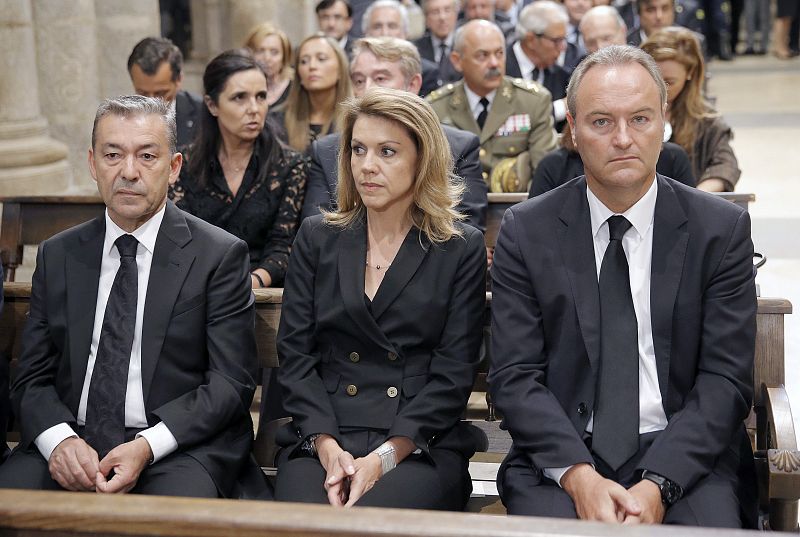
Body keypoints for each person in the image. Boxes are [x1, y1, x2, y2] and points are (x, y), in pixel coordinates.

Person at [489, 45, 756, 527]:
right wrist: (580, 477)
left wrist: (658, 485)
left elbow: (724, 380)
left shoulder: (720, 229)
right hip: (564, 453)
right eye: (601, 122)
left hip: (683, 455)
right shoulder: (528, 231)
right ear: (572, 128)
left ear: (664, 119)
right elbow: (514, 376)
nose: (623, 139)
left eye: (639, 119)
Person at [0, 95, 262, 497]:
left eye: (147, 156)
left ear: (173, 167)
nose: (128, 172)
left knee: (173, 516)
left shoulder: (218, 255)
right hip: (74, 438)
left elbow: (230, 383)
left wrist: (146, 446)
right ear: (92, 163)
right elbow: (32, 375)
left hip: (176, 445)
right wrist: (59, 441)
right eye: (112, 155)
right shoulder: (60, 254)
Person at [274, 87, 486, 509]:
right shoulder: (318, 236)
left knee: (375, 521)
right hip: (324, 433)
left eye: (387, 152)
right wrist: (326, 445)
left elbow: (452, 376)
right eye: (358, 150)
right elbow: (295, 356)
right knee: (304, 522)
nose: (367, 166)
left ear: (421, 160)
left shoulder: (459, 247)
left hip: (415, 442)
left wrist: (384, 458)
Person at [302, 37, 487, 232]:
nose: (367, 89)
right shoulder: (326, 150)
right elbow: (317, 235)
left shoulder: (459, 147)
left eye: (380, 79)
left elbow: (463, 234)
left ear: (413, 85)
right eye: (358, 80)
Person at [170, 49, 306, 289]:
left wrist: (250, 282)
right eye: (239, 98)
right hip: (197, 290)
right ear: (212, 105)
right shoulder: (183, 165)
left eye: (261, 96)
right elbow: (182, 241)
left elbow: (283, 246)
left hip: (265, 295)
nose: (254, 108)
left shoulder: (290, 166)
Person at [428, 19, 557, 192]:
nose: (494, 63)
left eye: (499, 53)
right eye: (483, 55)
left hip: (517, 208)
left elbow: (545, 175)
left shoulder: (533, 101)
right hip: (458, 211)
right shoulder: (435, 108)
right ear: (457, 61)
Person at [642, 27, 740, 191]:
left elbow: (725, 165)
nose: (661, 89)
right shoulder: (626, 116)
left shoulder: (707, 122)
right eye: (653, 80)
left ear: (690, 73)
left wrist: (694, 198)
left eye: (669, 82)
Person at [273, 34, 352, 153]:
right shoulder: (278, 121)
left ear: (341, 69)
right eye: (304, 61)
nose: (312, 66)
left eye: (321, 59)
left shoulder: (355, 120)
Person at [127, 37, 202, 151]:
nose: (152, 101)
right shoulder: (122, 119)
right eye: (143, 93)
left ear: (179, 80)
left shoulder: (203, 113)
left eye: (160, 93)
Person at [506, 1, 572, 130]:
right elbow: (510, 122)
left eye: (564, 39)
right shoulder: (498, 70)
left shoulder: (562, 77)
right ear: (531, 40)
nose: (563, 47)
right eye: (557, 41)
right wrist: (559, 108)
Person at [361, 0, 442, 95]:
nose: (385, 33)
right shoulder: (355, 69)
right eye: (377, 26)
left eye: (392, 26)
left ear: (405, 33)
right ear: (366, 33)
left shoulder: (425, 72)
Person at [244, 23, 294, 108]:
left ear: (284, 58)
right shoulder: (241, 87)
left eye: (274, 52)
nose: (267, 58)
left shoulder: (295, 88)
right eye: (260, 51)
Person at [414, 0, 463, 84]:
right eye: (435, 12)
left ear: (456, 14)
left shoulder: (465, 46)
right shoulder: (416, 49)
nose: (442, 17)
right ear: (426, 19)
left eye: (447, 10)